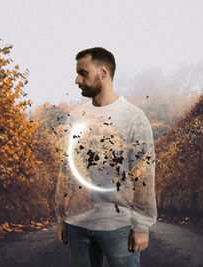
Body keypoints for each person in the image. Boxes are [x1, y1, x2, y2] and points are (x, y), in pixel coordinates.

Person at [55, 47, 157, 267]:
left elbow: (144, 175)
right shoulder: (75, 117)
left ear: (103, 72)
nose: (77, 80)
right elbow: (67, 170)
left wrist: (142, 227)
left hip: (118, 226)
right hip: (77, 226)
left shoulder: (134, 118)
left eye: (83, 73)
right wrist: (62, 218)